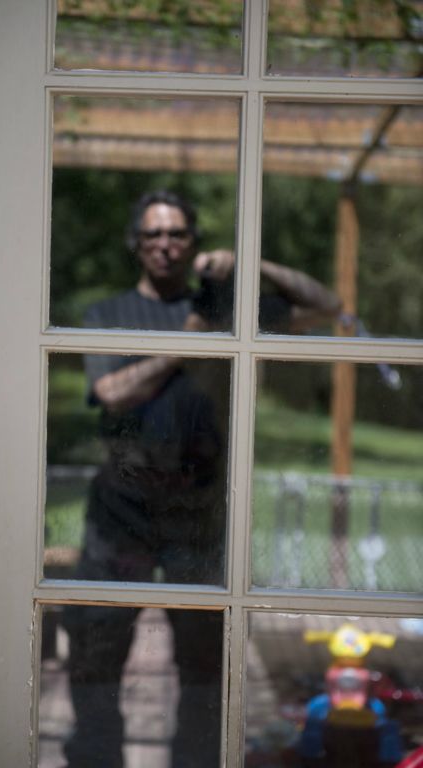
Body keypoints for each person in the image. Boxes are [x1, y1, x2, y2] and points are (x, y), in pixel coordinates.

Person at [62, 190, 341, 768]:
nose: (165, 245)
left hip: (199, 511)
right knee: (96, 655)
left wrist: (251, 263)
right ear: (136, 244)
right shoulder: (109, 313)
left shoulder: (223, 308)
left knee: (204, 667)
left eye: (177, 234)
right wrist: (187, 341)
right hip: (121, 512)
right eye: (153, 234)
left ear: (192, 243)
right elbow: (112, 393)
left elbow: (326, 305)